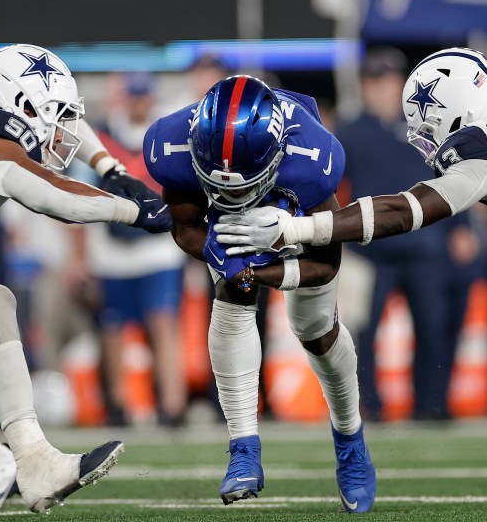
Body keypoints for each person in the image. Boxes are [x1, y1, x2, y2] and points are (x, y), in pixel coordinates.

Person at [213, 42, 487, 387]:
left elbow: (404, 210)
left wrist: (294, 229)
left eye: (427, 128)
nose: (425, 140)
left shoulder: (482, 160)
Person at [143, 75, 376, 514]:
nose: (232, 194)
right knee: (230, 294)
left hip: (296, 224)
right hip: (234, 226)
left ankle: (350, 438)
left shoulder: (310, 160)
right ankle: (243, 451)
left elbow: (325, 264)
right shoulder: (173, 146)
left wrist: (265, 267)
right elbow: (185, 228)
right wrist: (221, 256)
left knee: (316, 330)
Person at [0, 43, 171, 512]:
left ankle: (24, 458)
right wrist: (134, 209)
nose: (63, 131)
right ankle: (15, 458)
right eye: (53, 115)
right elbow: (50, 194)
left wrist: (111, 167)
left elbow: (39, 123)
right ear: (17, 108)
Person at [336, 46, 485, 420]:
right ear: (365, 86)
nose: (382, 88)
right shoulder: (350, 132)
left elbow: (454, 177)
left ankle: (432, 404)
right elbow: (331, 188)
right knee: (361, 335)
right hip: (371, 249)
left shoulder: (429, 126)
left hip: (424, 245)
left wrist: (463, 226)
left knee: (435, 327)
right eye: (374, 80)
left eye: (388, 79)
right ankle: (368, 405)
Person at [84, 72, 187, 426]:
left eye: (145, 96)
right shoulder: (101, 137)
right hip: (112, 252)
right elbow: (79, 192)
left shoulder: (166, 138)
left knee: (163, 322)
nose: (140, 103)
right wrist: (79, 257)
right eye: (135, 96)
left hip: (158, 250)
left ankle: (173, 405)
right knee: (112, 328)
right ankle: (118, 405)